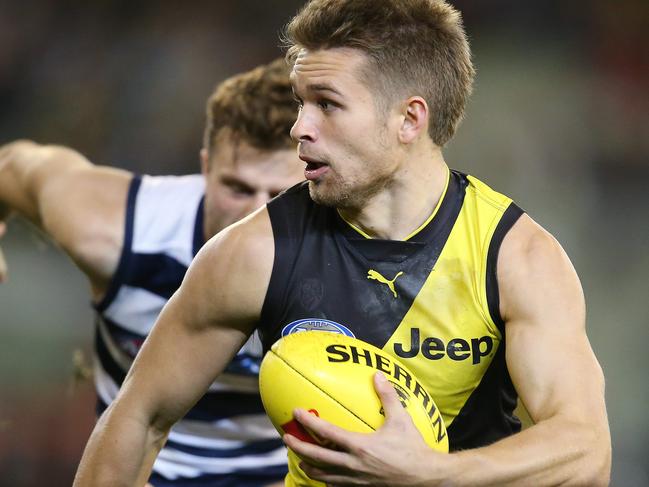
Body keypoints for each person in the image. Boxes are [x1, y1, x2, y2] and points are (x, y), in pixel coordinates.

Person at [71, 0, 612, 485]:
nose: (298, 127)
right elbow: (139, 417)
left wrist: (435, 474)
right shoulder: (255, 253)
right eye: (299, 101)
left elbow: (586, 451)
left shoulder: (516, 258)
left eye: (326, 104)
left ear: (409, 118)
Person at [0, 58, 304, 487]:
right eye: (236, 188)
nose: (256, 212)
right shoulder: (117, 230)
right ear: (203, 168)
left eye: (281, 194)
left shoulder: (349, 257)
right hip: (139, 468)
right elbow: (14, 165)